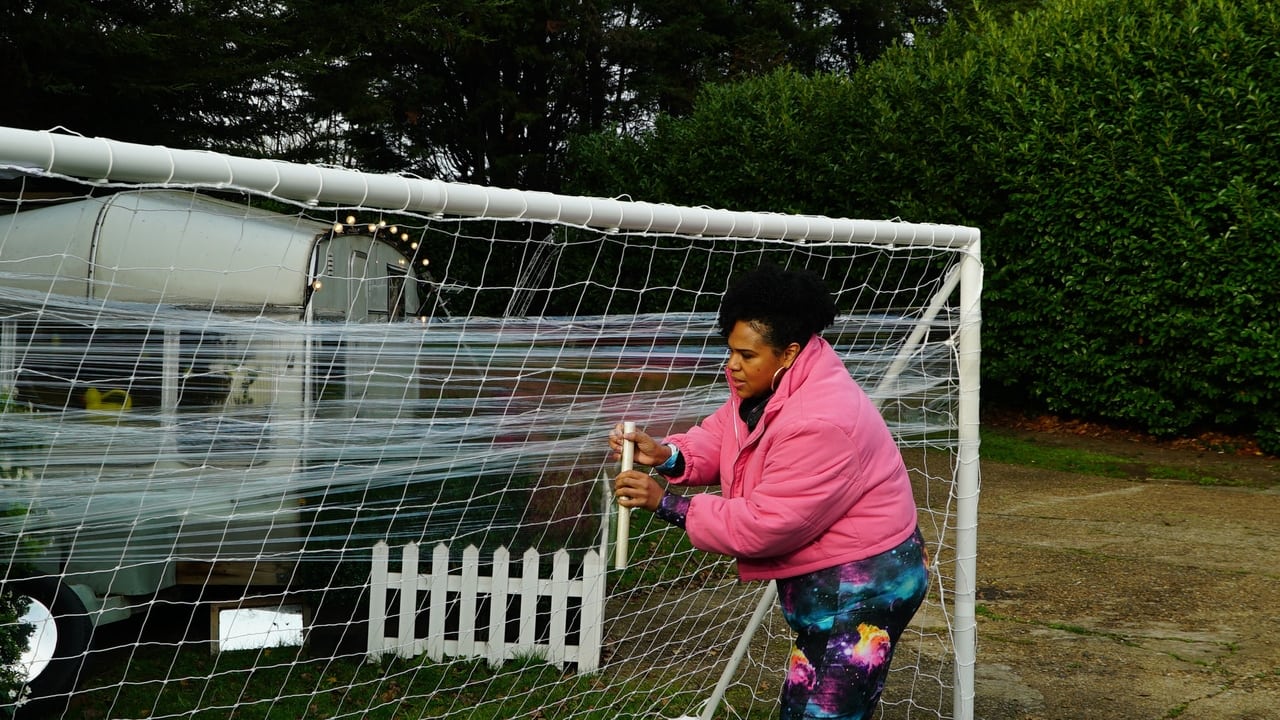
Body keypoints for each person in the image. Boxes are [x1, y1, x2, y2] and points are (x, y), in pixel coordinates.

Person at [609, 264, 929, 720]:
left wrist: (664, 503)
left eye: (746, 355)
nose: (732, 365)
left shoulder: (819, 420)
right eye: (730, 351)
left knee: (818, 713)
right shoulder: (771, 387)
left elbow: (767, 525)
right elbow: (723, 437)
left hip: (864, 587)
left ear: (788, 352)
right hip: (830, 581)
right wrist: (666, 455)